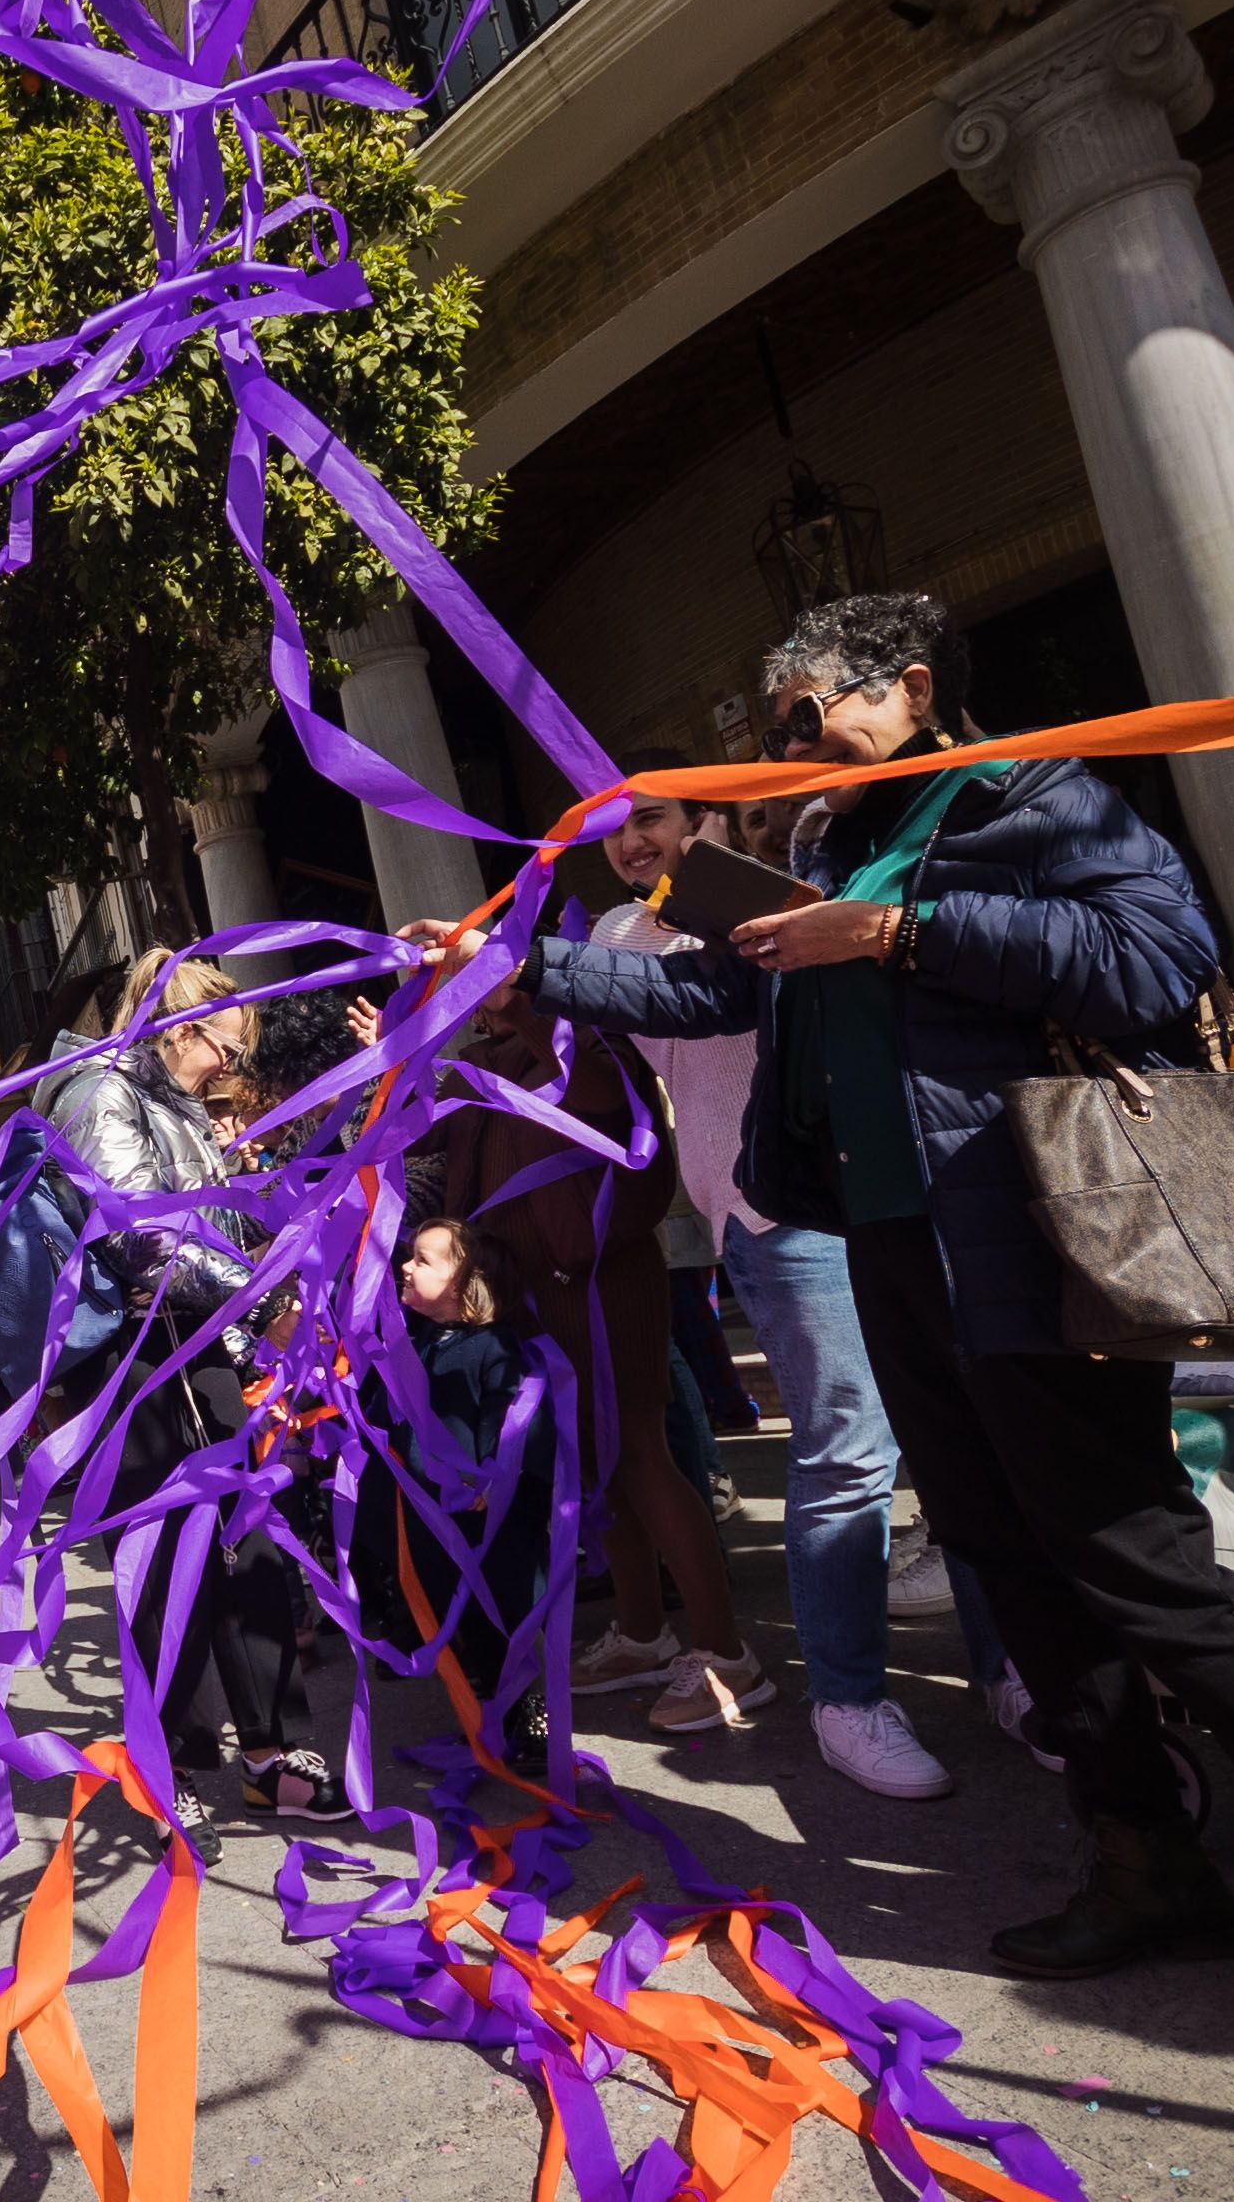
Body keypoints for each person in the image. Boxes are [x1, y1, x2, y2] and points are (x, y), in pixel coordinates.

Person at [409, 590, 1234, 2095]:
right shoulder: (808, 847)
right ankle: (1144, 1861)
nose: (790, 751)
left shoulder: (1030, 794)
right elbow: (706, 988)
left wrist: (906, 928)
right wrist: (519, 969)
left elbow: (1157, 958)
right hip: (892, 1245)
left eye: (813, 719)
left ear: (911, 690)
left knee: (1143, 1567)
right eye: (775, 728)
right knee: (1002, 1553)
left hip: (1033, 1239)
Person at [580, 760, 1033, 1801]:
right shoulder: (624, 932)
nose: (631, 842)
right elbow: (668, 1003)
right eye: (612, 831)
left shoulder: (822, 880)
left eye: (650, 818)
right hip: (777, 1212)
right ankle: (849, 1699)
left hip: (902, 1185)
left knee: (959, 1435)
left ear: (706, 815)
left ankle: (1014, 1669)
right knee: (846, 1449)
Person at [358, 967, 776, 1739]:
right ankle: (644, 1636)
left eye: (479, 978)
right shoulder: (487, 1060)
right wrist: (394, 1063)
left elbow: (597, 1100)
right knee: (591, 1465)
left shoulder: (589, 1038)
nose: (468, 995)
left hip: (600, 1287)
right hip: (527, 1299)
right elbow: (428, 1140)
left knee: (642, 1456)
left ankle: (726, 1654)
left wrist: (518, 1004)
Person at [53, 948, 342, 1852]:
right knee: (168, 1567)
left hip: (201, 1347)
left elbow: (204, 1222)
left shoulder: (174, 1103)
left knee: (246, 1545)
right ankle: (162, 1769)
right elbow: (142, 1237)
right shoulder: (102, 1092)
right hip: (140, 1365)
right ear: (182, 1028)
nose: (231, 1066)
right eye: (225, 1046)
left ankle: (270, 1754)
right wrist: (263, 1292)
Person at [389, 1219, 539, 1720]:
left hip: (483, 1512)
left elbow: (506, 1414)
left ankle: (530, 1710)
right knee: (461, 1607)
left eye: (422, 1260)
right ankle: (494, 1707)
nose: (406, 1266)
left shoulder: (493, 1346)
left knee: (503, 1607)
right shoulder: (425, 1337)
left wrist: (486, 1474)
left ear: (463, 1283)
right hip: (436, 1511)